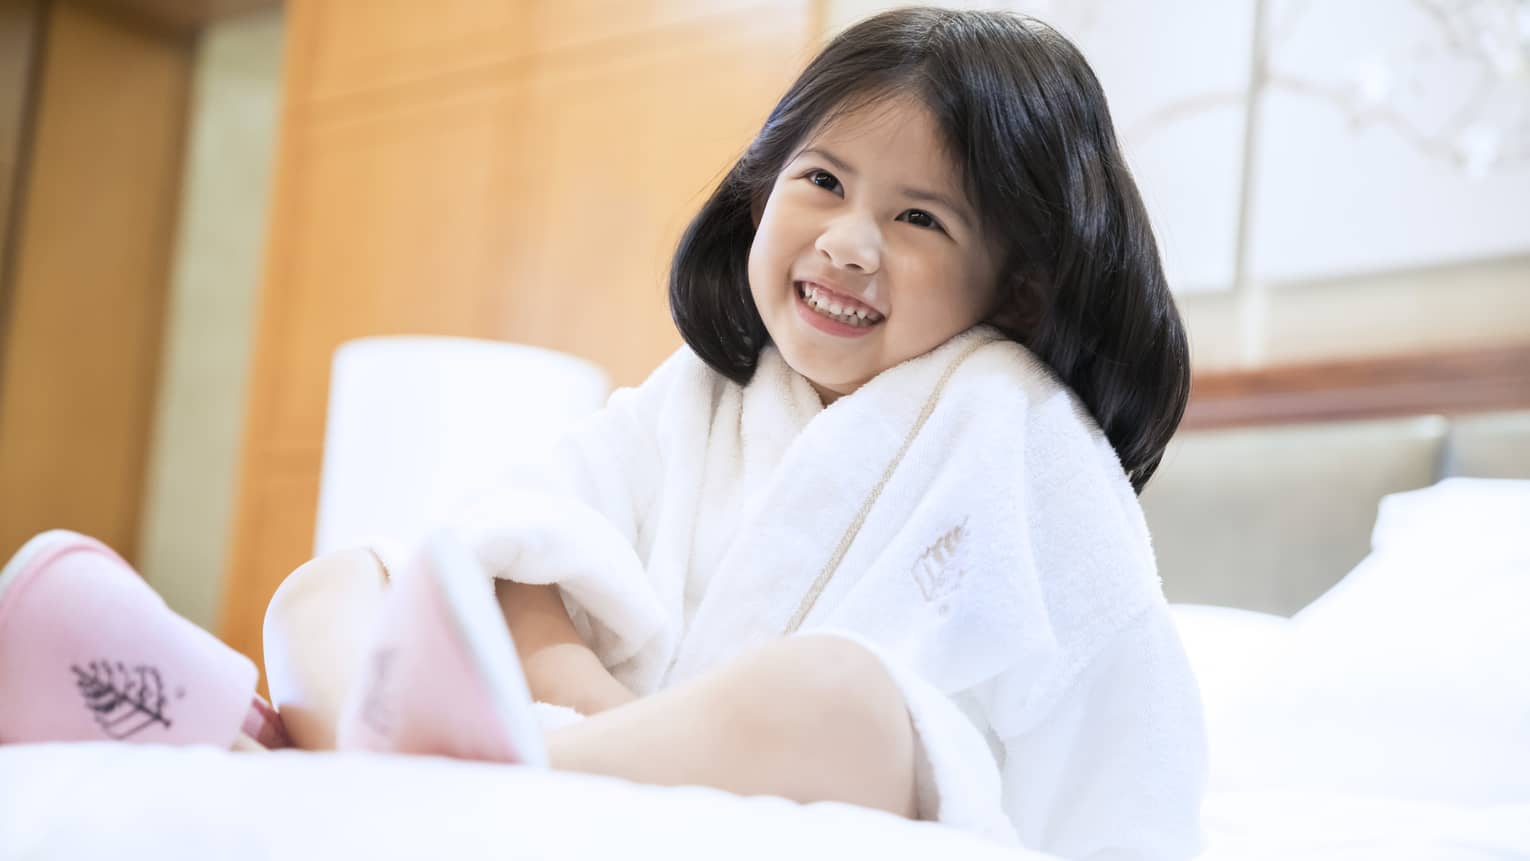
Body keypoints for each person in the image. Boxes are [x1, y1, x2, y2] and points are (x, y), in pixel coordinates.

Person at [0, 8, 1207, 859]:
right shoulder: (702, 393)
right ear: (760, 187)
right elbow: (520, 554)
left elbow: (1116, 719)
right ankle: (324, 739)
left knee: (839, 691)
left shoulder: (1023, 434)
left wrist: (569, 734)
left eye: (921, 218)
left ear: (1020, 287)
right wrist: (574, 708)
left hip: (860, 773)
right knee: (337, 579)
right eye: (822, 181)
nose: (848, 241)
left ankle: (323, 758)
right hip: (578, 737)